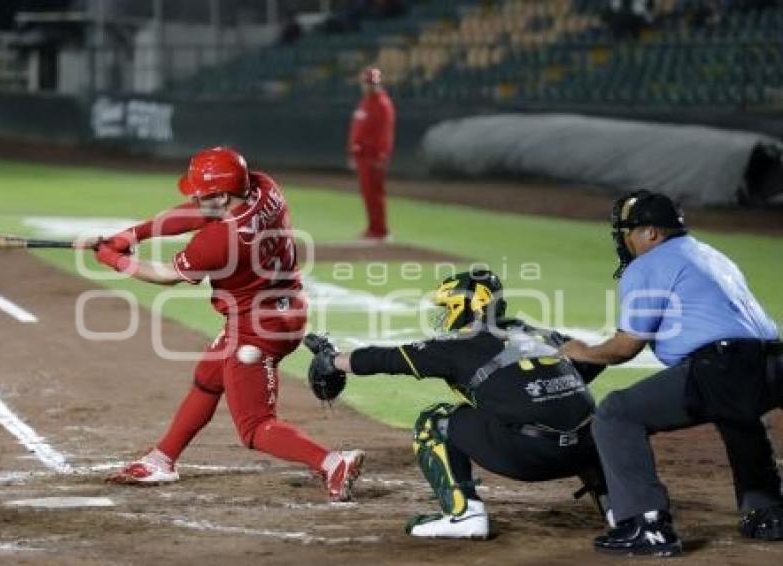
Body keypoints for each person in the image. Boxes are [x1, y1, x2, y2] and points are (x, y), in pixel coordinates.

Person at [91, 146, 364, 501]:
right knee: (208, 377)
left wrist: (114, 260)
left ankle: (331, 462)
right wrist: (134, 234)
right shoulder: (265, 187)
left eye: (202, 193)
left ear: (221, 195)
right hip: (287, 305)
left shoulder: (219, 242)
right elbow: (200, 212)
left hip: (257, 328)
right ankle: (162, 459)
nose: (196, 199)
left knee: (255, 427)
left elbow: (166, 275)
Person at [306, 269, 610, 539]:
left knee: (434, 420)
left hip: (530, 457)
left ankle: (464, 515)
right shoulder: (541, 333)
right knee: (582, 417)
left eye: (448, 306)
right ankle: (617, 506)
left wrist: (332, 360)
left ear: (466, 305)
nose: (444, 316)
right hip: (586, 451)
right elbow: (593, 363)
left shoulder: (459, 345)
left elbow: (388, 358)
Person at [561, 190, 783, 557]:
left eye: (626, 231)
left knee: (617, 414)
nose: (623, 239)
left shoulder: (650, 264)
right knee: (737, 414)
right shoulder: (710, 254)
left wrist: (581, 351)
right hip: (772, 363)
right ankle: (767, 510)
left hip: (725, 365)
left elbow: (624, 347)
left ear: (650, 233)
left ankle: (645, 524)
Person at [348, 66, 396, 242]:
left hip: (373, 156)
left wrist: (383, 155)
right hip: (362, 156)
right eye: (367, 83)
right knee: (368, 193)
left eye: (372, 83)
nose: (369, 86)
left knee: (375, 193)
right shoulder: (365, 102)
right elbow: (357, 129)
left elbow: (386, 132)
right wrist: (353, 153)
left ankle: (381, 230)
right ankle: (373, 228)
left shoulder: (383, 104)